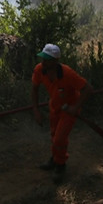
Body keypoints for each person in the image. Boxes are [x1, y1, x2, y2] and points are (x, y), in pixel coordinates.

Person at [31, 43, 93, 183]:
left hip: (69, 109)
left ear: (55, 61)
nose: (43, 61)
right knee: (54, 136)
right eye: (43, 58)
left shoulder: (67, 73)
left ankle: (60, 165)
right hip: (55, 106)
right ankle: (55, 159)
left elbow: (88, 89)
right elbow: (34, 89)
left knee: (59, 138)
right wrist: (36, 110)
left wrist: (75, 107)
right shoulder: (39, 70)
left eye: (46, 59)